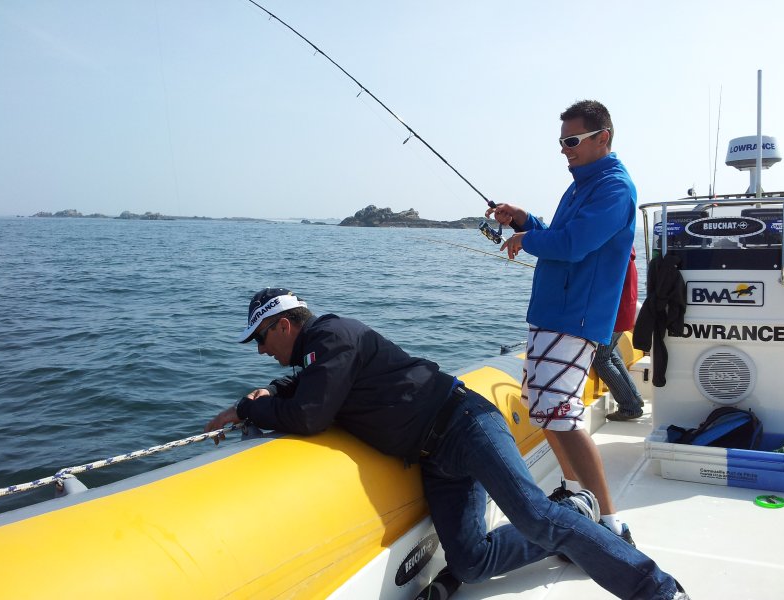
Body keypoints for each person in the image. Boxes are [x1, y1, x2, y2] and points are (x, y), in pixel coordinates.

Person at [205, 287, 690, 599]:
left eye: (262, 339)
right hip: (435, 456)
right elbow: (311, 388)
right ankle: (578, 515)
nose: (263, 351)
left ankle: (659, 590)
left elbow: (310, 414)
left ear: (285, 324)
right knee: (472, 563)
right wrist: (270, 395)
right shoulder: (321, 350)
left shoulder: (331, 335)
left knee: (537, 517)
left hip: (464, 424)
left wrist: (251, 409)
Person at [486, 100, 637, 545]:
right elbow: (561, 231)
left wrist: (527, 236)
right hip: (554, 314)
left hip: (575, 319)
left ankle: (611, 525)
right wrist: (526, 219)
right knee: (544, 405)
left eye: (572, 141)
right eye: (561, 141)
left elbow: (573, 244)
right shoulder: (583, 185)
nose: (564, 150)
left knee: (562, 415)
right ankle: (577, 496)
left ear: (602, 137)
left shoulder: (613, 188)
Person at [596, 248, 645, 421]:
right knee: (612, 353)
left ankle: (629, 406)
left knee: (600, 358)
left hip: (613, 316)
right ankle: (635, 398)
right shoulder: (626, 255)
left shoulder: (612, 256)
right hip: (625, 312)